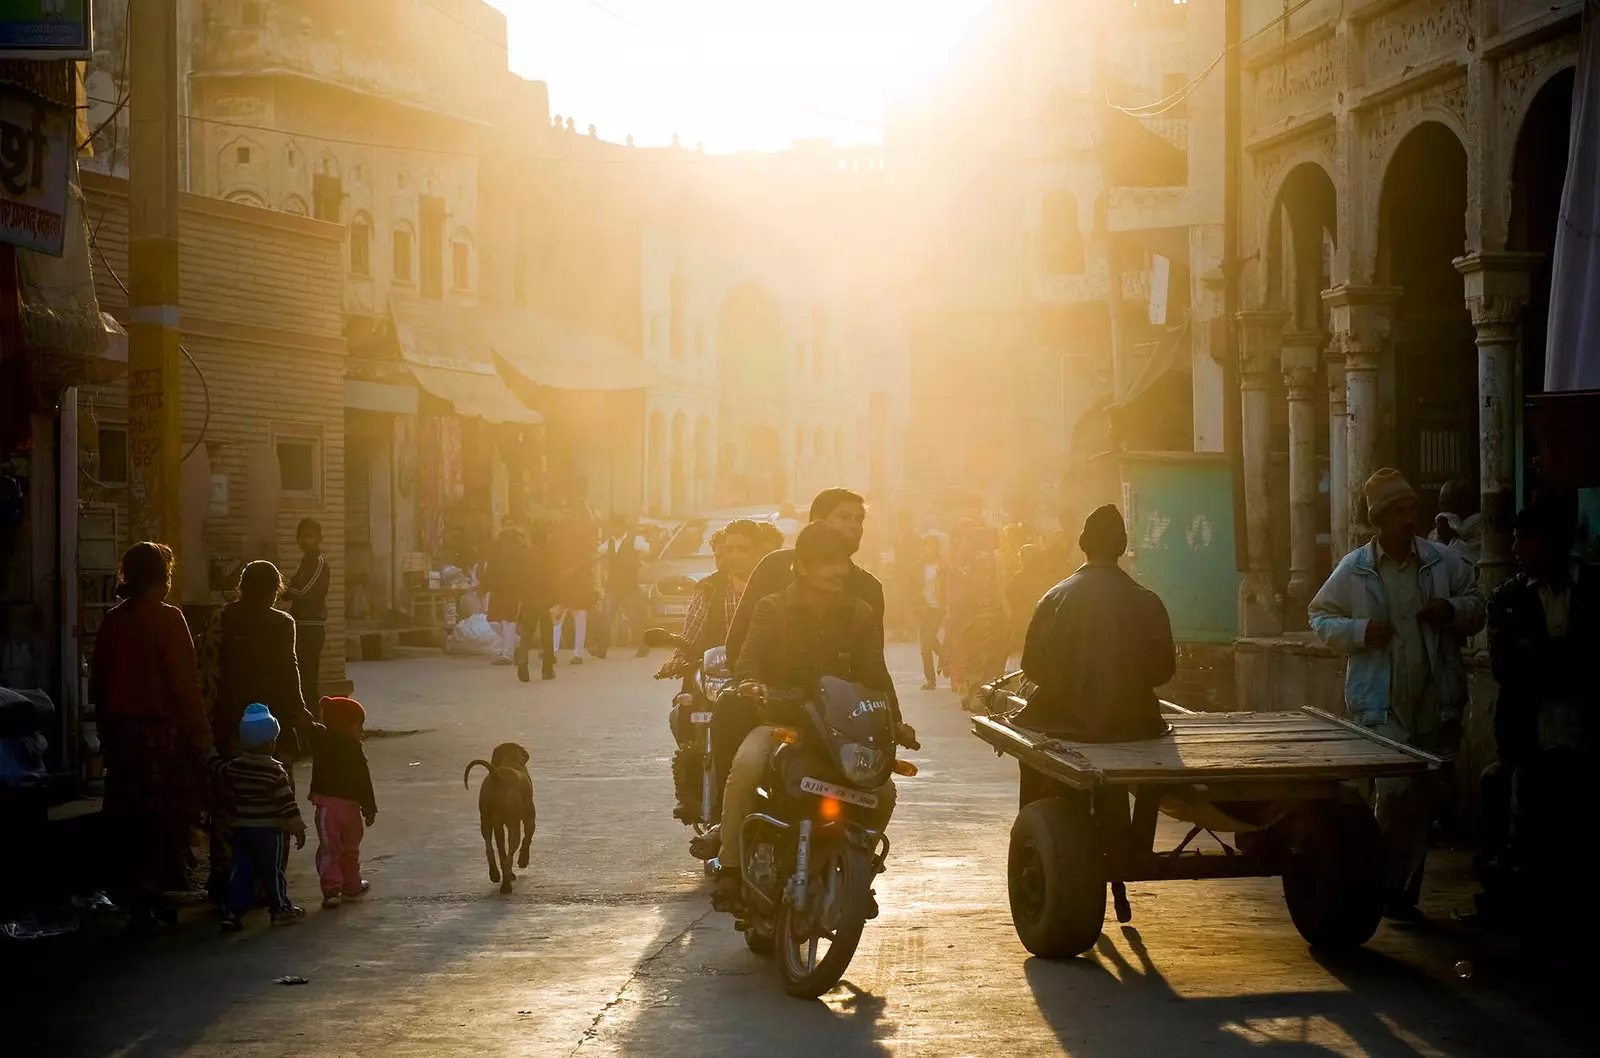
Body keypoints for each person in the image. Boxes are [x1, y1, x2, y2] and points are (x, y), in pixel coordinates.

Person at [1309, 468, 1485, 920]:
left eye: (1412, 509)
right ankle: (1376, 884)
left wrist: (1449, 609)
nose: (1410, 518)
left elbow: (1476, 605)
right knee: (1394, 792)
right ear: (1381, 519)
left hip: (1434, 697)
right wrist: (1361, 631)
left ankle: (1401, 894)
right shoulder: (1356, 568)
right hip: (1380, 701)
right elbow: (1320, 617)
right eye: (1400, 511)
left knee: (1422, 800)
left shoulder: (1441, 562)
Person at [717, 524, 912, 903]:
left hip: (839, 729)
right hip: (780, 721)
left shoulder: (860, 614)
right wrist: (752, 684)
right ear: (802, 566)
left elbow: (876, 674)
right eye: (828, 562)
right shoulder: (772, 608)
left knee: (884, 792)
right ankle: (729, 868)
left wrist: (896, 721)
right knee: (745, 768)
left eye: (843, 562)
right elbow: (748, 659)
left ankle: (860, 873)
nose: (839, 570)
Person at [1477, 502, 1596, 916]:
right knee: (1528, 828)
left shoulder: (1594, 590)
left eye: (1522, 539)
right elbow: (1506, 667)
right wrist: (1565, 657)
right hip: (1529, 736)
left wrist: (1541, 655)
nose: (1514, 549)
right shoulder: (1507, 599)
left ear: (1550, 543)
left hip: (1585, 735)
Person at [90, 542, 211, 928]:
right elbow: (185, 684)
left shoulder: (113, 621)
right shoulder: (168, 620)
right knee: (165, 818)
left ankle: (137, 896)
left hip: (122, 735)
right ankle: (153, 890)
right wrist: (201, 732)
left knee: (130, 817)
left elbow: (98, 682)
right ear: (162, 578)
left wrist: (106, 734)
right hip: (162, 737)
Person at [1016, 505, 1175, 742]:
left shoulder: (1054, 598)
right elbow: (1163, 672)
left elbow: (1032, 667)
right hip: (1135, 724)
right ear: (1121, 547)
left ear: (1083, 543)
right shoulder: (1148, 601)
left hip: (1059, 721)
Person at [208, 560, 313, 904]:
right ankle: (268, 880)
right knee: (276, 795)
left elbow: (208, 669)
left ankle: (225, 876)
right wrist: (299, 713)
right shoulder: (283, 623)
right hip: (273, 726)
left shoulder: (221, 618)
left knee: (229, 799)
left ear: (242, 586)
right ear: (275, 590)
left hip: (230, 725)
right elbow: (289, 670)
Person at [209, 704, 307, 931]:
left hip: (241, 830)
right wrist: (298, 827)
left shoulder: (235, 767)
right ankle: (280, 909)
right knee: (272, 873)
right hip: (268, 833)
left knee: (241, 871)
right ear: (270, 742)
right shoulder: (276, 772)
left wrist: (211, 755)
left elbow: (217, 770)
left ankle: (232, 912)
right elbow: (287, 804)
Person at [660, 519, 766, 679]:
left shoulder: (774, 587)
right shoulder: (708, 588)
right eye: (730, 550)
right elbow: (692, 633)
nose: (734, 556)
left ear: (758, 552)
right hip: (718, 677)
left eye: (743, 550)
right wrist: (679, 658)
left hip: (763, 676)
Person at [305, 695, 377, 909]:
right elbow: (365, 780)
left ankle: (333, 889)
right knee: (349, 849)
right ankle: (349, 886)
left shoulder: (320, 738)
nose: (361, 731)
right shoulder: (355, 749)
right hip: (351, 810)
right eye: (359, 725)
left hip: (327, 810)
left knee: (331, 850)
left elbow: (307, 725)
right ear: (347, 725)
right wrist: (370, 808)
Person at [282, 518, 331, 711]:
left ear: (320, 539)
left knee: (308, 680)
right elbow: (288, 592)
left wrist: (280, 587)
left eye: (309, 536)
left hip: (311, 627)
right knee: (299, 678)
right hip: (299, 625)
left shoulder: (319, 564)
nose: (304, 541)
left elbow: (303, 592)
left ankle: (315, 724)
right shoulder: (305, 563)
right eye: (300, 537)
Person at [596, 515, 651, 659]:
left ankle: (643, 647)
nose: (613, 530)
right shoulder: (610, 542)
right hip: (613, 585)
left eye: (615, 527)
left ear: (621, 527)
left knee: (634, 617)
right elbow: (598, 551)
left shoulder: (634, 540)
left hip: (629, 586)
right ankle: (601, 650)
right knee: (606, 617)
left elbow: (648, 549)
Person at [515, 523, 558, 683]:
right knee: (547, 634)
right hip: (546, 599)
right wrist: (556, 599)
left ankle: (522, 658)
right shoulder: (550, 554)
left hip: (528, 598)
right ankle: (547, 669)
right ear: (545, 537)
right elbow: (555, 578)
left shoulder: (523, 555)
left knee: (526, 632)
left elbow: (517, 577)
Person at [482, 525, 526, 666]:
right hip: (499, 589)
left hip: (512, 590)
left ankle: (507, 654)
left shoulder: (520, 551)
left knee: (508, 622)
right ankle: (513, 643)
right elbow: (489, 568)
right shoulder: (497, 551)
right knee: (495, 621)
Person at [916, 534, 947, 690]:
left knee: (928, 641)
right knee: (925, 645)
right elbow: (912, 589)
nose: (930, 549)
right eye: (927, 545)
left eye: (933, 546)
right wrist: (917, 604)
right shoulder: (918, 566)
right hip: (923, 609)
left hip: (938, 608)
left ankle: (946, 658)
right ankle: (930, 679)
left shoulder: (943, 566)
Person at [1429, 478, 1483, 565]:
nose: (1444, 510)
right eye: (1441, 504)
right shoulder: (1435, 533)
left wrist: (1450, 538)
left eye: (1448, 504)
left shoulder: (1481, 528)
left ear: (1464, 504)